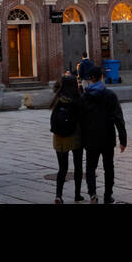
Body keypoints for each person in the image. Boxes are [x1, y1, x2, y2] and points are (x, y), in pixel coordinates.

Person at [80, 66, 127, 204]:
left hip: (91, 138)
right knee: (109, 167)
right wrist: (123, 139)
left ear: (90, 79)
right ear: (102, 77)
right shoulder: (110, 95)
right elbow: (119, 118)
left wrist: (83, 139)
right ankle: (108, 196)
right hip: (107, 137)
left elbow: (81, 120)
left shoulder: (85, 97)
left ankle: (93, 194)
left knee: (90, 167)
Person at [49, 73, 84, 203]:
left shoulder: (57, 99)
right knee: (78, 166)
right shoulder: (77, 99)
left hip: (59, 139)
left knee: (62, 169)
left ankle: (58, 195)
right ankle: (77, 194)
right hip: (75, 137)